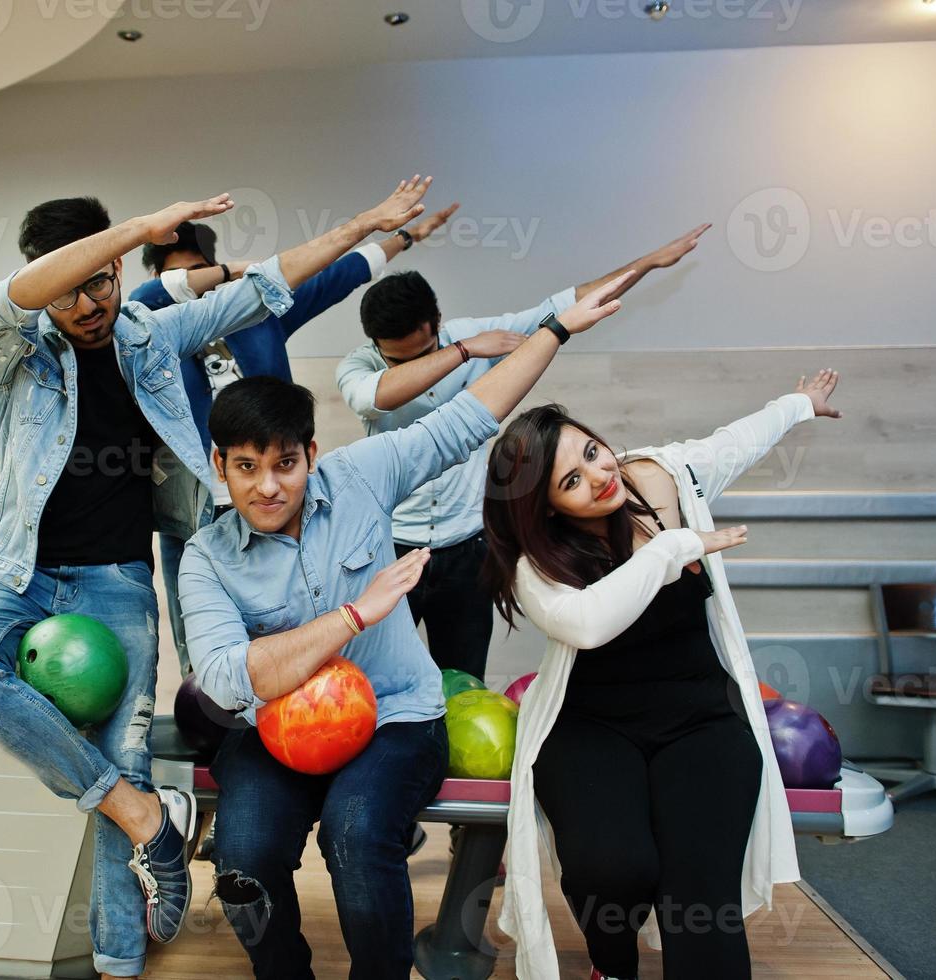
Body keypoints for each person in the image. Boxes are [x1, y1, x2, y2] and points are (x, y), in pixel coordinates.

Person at [0, 176, 433, 980]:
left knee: (119, 750)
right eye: (72, 288)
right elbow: (14, 294)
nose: (89, 302)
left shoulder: (149, 336)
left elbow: (268, 285)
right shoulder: (13, 346)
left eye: (102, 279)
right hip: (18, 568)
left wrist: (365, 225)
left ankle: (118, 961)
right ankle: (149, 820)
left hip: (117, 577)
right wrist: (136, 227)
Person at [175, 269, 636, 979]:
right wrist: (352, 616)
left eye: (285, 464)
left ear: (311, 456)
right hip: (273, 731)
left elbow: (470, 417)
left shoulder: (361, 475)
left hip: (393, 717)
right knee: (243, 857)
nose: (268, 487)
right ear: (220, 466)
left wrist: (555, 330)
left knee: (357, 835)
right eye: (246, 468)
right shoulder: (205, 559)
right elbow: (230, 680)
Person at [480, 369, 844, 980]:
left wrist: (799, 404)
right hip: (589, 726)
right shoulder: (534, 561)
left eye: (593, 452)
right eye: (572, 480)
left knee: (699, 901)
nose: (599, 476)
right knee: (612, 869)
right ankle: (613, 967)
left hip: (702, 718)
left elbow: (736, 440)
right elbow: (590, 624)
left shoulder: (659, 476)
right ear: (545, 508)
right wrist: (671, 549)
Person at [334, 224, 709, 681]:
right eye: (398, 359)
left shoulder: (469, 333)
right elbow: (376, 397)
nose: (412, 366)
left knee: (464, 678)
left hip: (469, 545)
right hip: (392, 546)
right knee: (373, 674)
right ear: (376, 345)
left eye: (423, 351)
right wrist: (463, 351)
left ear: (437, 321)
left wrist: (646, 262)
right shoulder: (362, 365)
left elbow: (563, 308)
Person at [130, 203, 460, 675]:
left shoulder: (258, 314)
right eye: (183, 277)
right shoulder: (149, 337)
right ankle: (215, 738)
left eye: (201, 270)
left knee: (297, 641)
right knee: (206, 656)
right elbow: (141, 299)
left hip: (281, 503)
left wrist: (405, 238)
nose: (196, 285)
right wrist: (223, 273)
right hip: (198, 513)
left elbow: (336, 276)